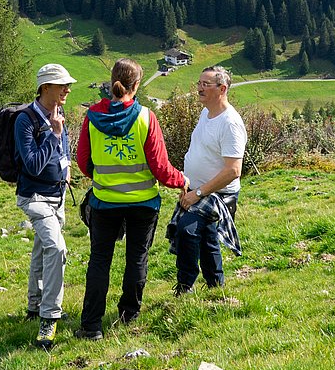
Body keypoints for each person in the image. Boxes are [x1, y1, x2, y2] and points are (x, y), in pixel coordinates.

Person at [74, 58, 188, 340]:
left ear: (111, 80)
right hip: (143, 203)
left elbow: (82, 161)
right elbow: (161, 169)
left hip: (104, 202)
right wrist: (182, 181)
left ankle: (91, 326)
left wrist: (101, 175)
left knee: (100, 260)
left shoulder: (92, 117)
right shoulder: (145, 117)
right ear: (136, 86)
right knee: (137, 257)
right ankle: (129, 315)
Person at [14, 62, 75, 350]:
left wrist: (68, 171)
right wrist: (54, 135)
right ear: (45, 87)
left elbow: (64, 154)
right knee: (56, 248)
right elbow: (34, 165)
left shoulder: (59, 113)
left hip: (58, 196)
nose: (68, 89)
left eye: (68, 84)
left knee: (42, 247)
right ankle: (49, 318)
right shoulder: (25, 120)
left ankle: (34, 304)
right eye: (62, 84)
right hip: (34, 197)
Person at [173, 65, 246, 293]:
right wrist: (187, 184)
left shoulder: (230, 123)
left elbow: (233, 170)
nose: (199, 89)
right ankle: (216, 286)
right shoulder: (206, 112)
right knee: (207, 238)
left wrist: (199, 193)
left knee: (187, 231)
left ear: (222, 88)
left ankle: (185, 286)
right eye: (199, 83)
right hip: (195, 189)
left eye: (206, 84)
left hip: (216, 194)